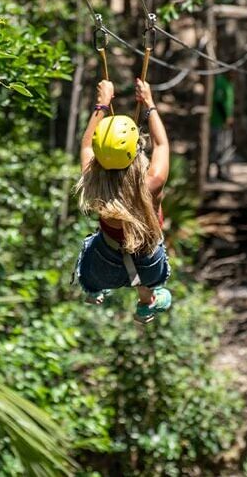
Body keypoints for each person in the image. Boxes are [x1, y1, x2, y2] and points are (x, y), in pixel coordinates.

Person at [73, 79, 172, 325]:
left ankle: (94, 289)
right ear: (136, 148)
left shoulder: (92, 179)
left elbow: (86, 144)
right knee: (148, 269)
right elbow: (161, 144)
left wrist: (102, 104)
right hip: (148, 263)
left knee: (96, 256)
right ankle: (146, 303)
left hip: (103, 263)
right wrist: (149, 102)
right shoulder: (153, 182)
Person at [209, 72, 235, 180]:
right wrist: (226, 118)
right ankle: (213, 172)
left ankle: (222, 171)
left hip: (224, 123)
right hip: (218, 121)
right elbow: (219, 102)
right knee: (217, 147)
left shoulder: (229, 84)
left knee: (225, 147)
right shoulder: (220, 83)